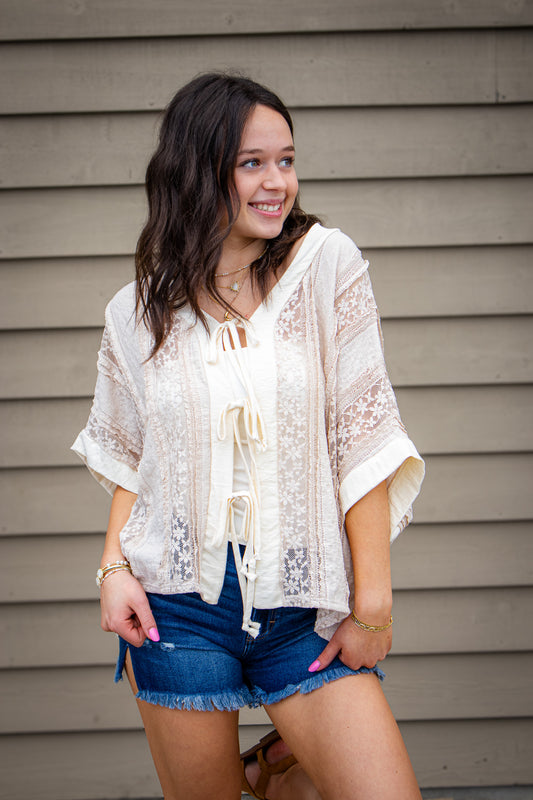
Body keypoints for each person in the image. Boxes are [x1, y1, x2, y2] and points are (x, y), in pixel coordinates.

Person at [72, 73, 425, 800]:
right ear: (197, 171)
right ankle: (265, 774)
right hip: (176, 609)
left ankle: (267, 771)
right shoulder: (135, 313)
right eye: (252, 163)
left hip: (305, 607)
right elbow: (135, 459)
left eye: (286, 160)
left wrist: (372, 607)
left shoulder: (326, 268)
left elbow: (362, 441)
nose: (277, 183)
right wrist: (112, 570)